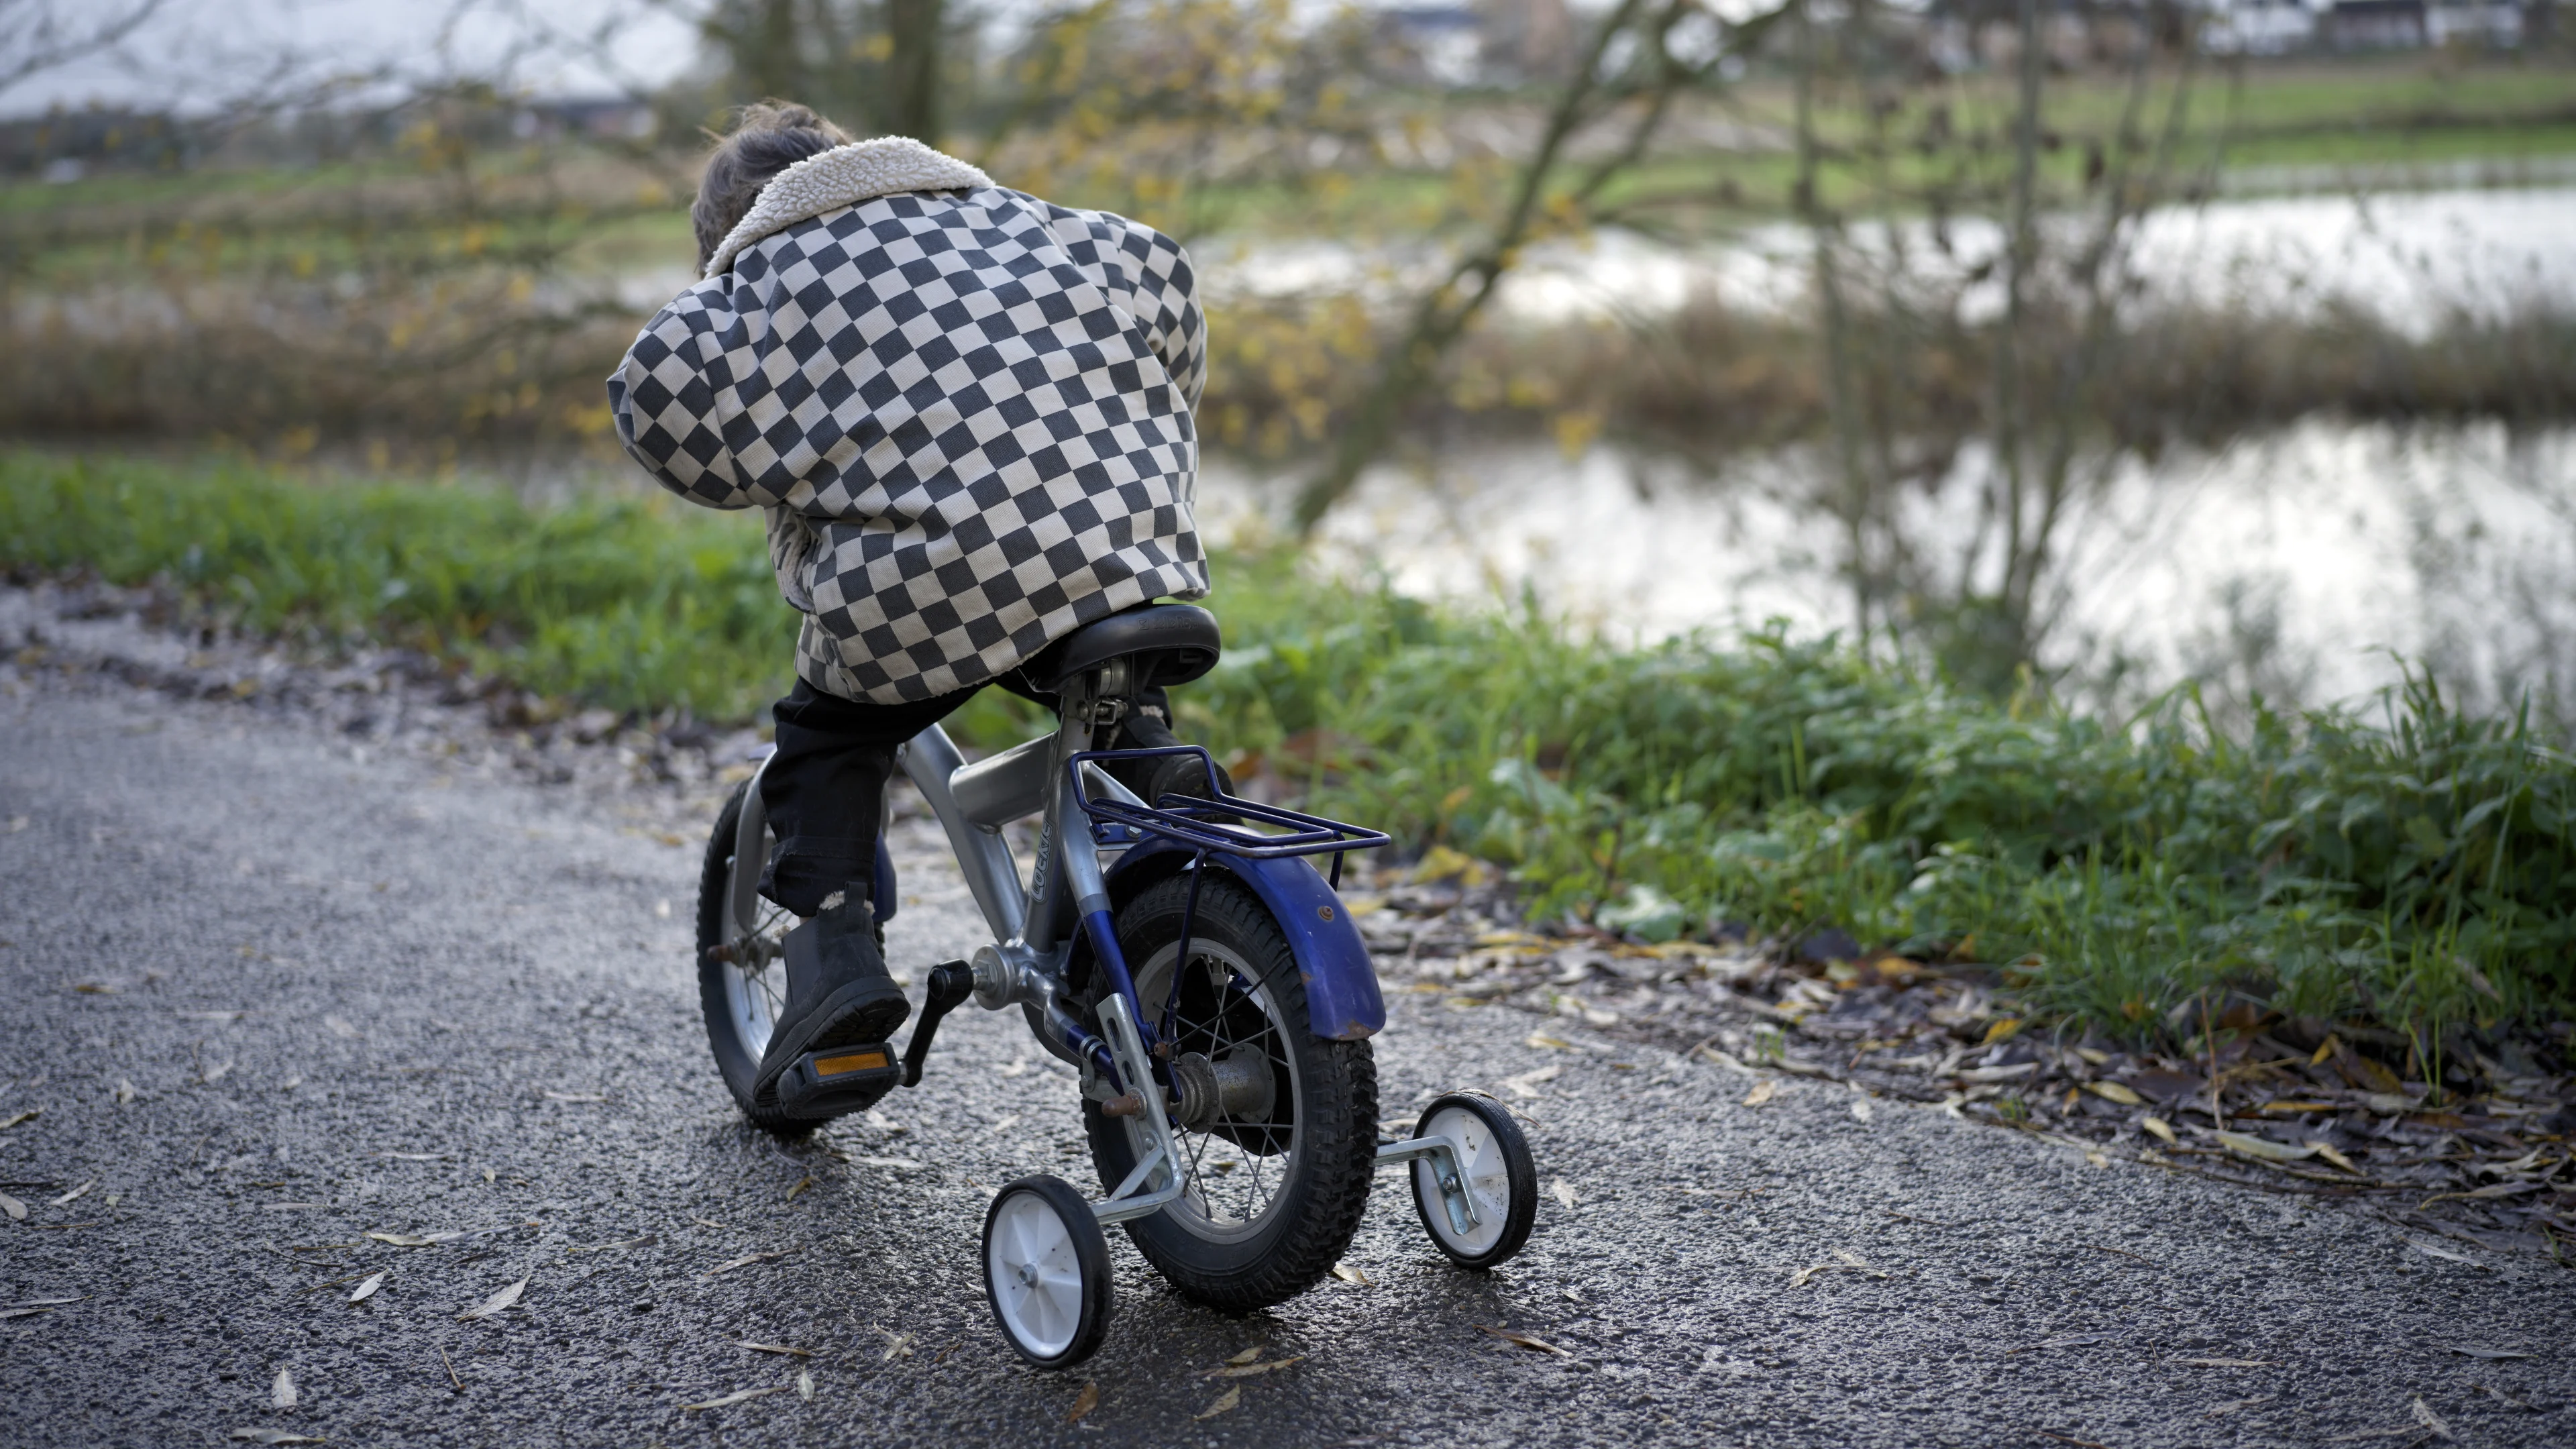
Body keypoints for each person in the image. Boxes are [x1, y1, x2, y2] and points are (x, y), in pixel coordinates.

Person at [608, 103, 1223, 1120]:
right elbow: (1165, 283)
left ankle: (837, 960)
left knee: (830, 736)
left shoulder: (762, 281)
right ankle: (1178, 833)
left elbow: (651, 398)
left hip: (922, 588)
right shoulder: (1032, 223)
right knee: (1108, 703)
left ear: (727, 232)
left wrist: (771, 450)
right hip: (1118, 550)